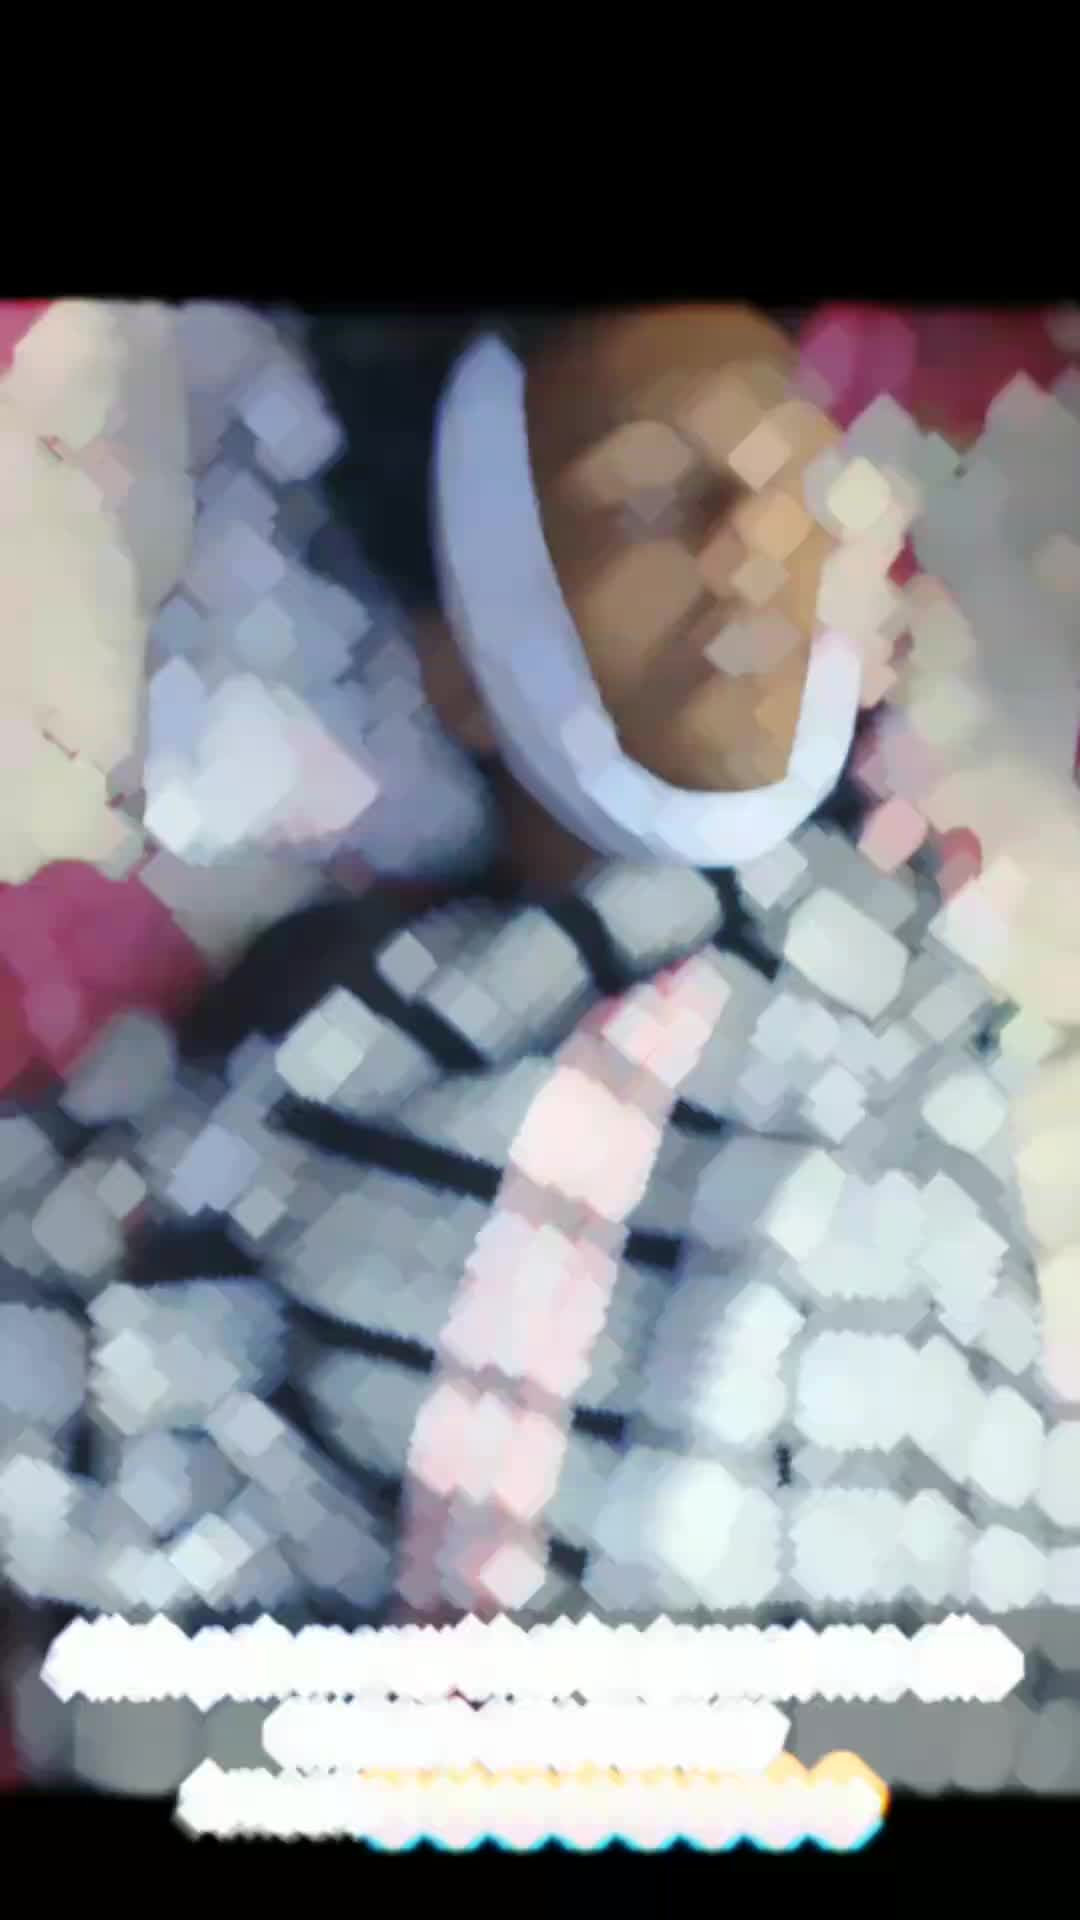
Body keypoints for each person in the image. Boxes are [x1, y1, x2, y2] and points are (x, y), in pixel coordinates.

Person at [6, 306, 1080, 1796]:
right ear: (460, 665)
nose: (755, 542)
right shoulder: (326, 1045)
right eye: (649, 495)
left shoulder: (960, 1009)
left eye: (802, 486)